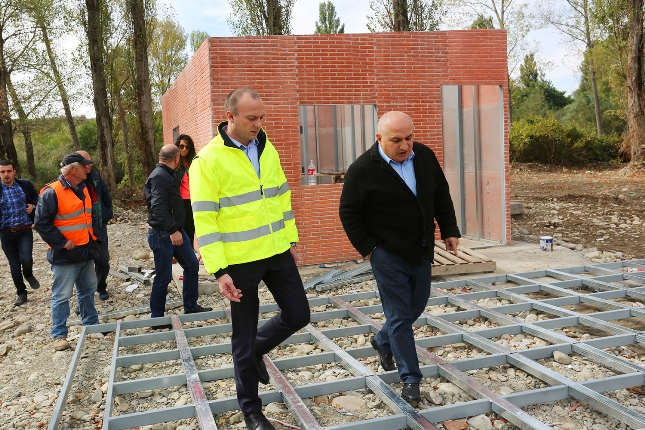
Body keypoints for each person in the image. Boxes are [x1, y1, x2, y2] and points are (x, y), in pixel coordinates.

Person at [190, 88, 310, 430]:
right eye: (251, 118)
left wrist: (290, 239)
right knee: (241, 338)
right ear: (230, 117)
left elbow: (281, 196)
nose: (258, 124)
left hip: (276, 251)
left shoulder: (266, 147)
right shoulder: (207, 161)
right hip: (240, 262)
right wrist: (219, 270)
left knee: (299, 314)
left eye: (261, 117)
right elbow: (205, 220)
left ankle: (256, 350)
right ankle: (252, 411)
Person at [339, 111, 461, 403]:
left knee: (415, 305)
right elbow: (349, 212)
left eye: (409, 138)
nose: (405, 146)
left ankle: (382, 340)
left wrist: (449, 229)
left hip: (421, 248)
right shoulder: (362, 169)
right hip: (387, 254)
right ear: (379, 138)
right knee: (399, 316)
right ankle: (410, 379)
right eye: (397, 140)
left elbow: (440, 194)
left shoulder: (424, 156)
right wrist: (370, 249)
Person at [34, 153, 101, 351]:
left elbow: (88, 217)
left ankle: (91, 324)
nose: (87, 169)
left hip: (85, 251)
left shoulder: (83, 187)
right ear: (73, 169)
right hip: (65, 256)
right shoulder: (52, 192)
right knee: (62, 296)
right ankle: (59, 335)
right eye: (83, 166)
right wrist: (61, 242)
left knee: (88, 290)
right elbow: (41, 223)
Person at [144, 144, 212, 321]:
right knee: (163, 276)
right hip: (163, 234)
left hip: (175, 231)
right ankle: (157, 318)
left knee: (192, 265)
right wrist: (173, 230)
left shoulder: (167, 174)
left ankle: (190, 306)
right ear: (176, 159)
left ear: (160, 156)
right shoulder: (160, 177)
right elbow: (158, 209)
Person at [0, 160, 40, 306]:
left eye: (8, 171)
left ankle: (28, 274)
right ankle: (21, 293)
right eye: (2, 172)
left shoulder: (25, 184)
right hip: (6, 233)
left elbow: (35, 196)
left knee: (26, 259)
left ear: (14, 172)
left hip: (24, 230)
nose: (6, 174)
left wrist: (32, 205)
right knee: (14, 265)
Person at [77, 151, 113, 301]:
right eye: (86, 163)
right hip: (80, 230)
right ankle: (84, 297)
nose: (89, 165)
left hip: (99, 227)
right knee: (82, 264)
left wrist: (106, 215)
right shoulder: (72, 181)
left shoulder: (96, 177)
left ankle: (101, 286)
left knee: (103, 261)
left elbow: (106, 198)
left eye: (90, 162)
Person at [174, 135, 197, 250]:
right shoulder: (174, 163)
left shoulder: (192, 162)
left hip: (192, 200)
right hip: (180, 201)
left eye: (187, 147)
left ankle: (190, 253)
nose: (184, 149)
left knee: (190, 229)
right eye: (181, 146)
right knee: (180, 230)